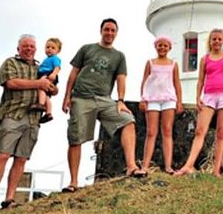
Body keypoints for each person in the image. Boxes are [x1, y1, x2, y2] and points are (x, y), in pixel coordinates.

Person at [61, 18, 145, 193]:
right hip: (82, 97)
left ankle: (131, 167)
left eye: (113, 30)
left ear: (116, 33)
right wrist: (67, 96)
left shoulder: (119, 56)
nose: (109, 33)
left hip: (105, 99)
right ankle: (74, 181)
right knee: (75, 137)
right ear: (101, 31)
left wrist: (121, 100)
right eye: (107, 29)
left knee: (127, 120)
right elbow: (73, 73)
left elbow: (121, 79)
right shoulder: (87, 49)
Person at [0, 34, 52, 212]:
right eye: (25, 46)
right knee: (3, 155)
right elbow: (11, 83)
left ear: (35, 49)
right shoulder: (10, 63)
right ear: (18, 49)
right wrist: (39, 83)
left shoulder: (41, 67)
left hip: (33, 119)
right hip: (12, 115)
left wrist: (50, 86)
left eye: (31, 46)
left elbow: (51, 87)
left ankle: (9, 198)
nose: (29, 49)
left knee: (21, 159)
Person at [176, 29, 223, 178]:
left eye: (219, 39)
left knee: (221, 133)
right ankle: (188, 165)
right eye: (214, 39)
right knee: (199, 131)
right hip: (209, 96)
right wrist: (198, 97)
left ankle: (216, 169)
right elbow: (200, 80)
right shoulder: (205, 59)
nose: (216, 42)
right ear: (210, 41)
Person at [139, 35, 183, 174]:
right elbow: (145, 81)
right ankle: (145, 166)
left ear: (169, 48)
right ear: (155, 46)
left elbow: (177, 83)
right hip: (152, 99)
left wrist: (179, 101)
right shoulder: (150, 63)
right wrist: (142, 98)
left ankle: (168, 166)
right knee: (151, 132)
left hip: (168, 99)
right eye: (160, 45)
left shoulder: (173, 64)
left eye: (165, 45)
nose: (162, 48)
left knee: (167, 131)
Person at [31, 37, 62, 124]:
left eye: (53, 48)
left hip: (48, 74)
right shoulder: (46, 59)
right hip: (45, 74)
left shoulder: (55, 58)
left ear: (58, 51)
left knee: (40, 87)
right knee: (47, 96)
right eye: (47, 47)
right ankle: (48, 113)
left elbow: (57, 67)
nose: (49, 49)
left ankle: (40, 104)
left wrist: (54, 74)